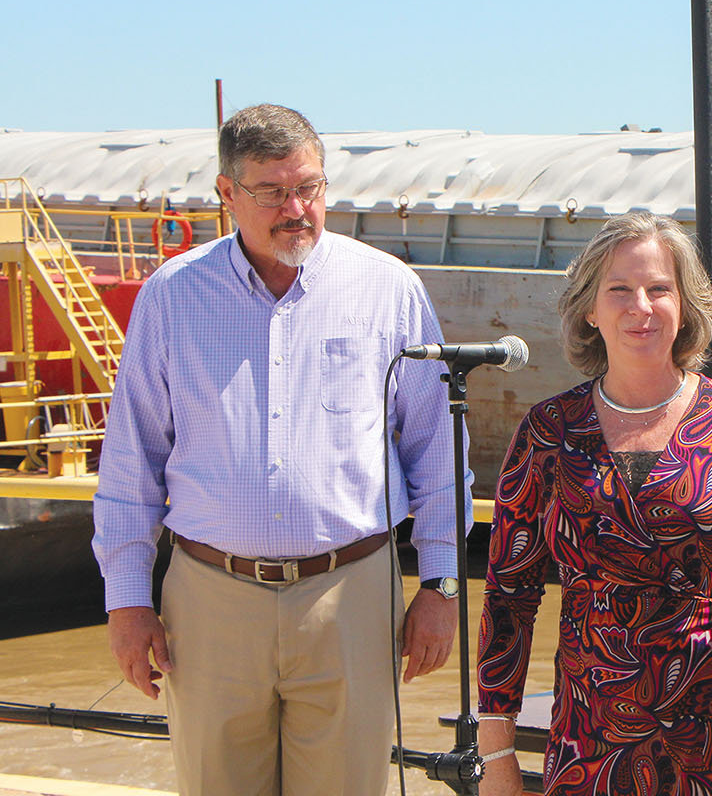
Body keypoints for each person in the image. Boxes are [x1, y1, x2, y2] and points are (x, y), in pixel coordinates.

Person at [92, 104, 472, 796]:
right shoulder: (172, 298)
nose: (297, 208)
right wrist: (126, 602)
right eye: (273, 192)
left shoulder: (388, 289)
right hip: (208, 601)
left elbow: (437, 450)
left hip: (352, 593)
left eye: (311, 187)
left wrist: (441, 585)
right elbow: (130, 462)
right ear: (226, 194)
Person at [476, 213, 712, 796]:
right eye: (619, 289)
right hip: (591, 739)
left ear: (686, 305)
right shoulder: (547, 431)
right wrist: (497, 756)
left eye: (659, 289)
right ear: (590, 309)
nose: (639, 306)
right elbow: (508, 599)